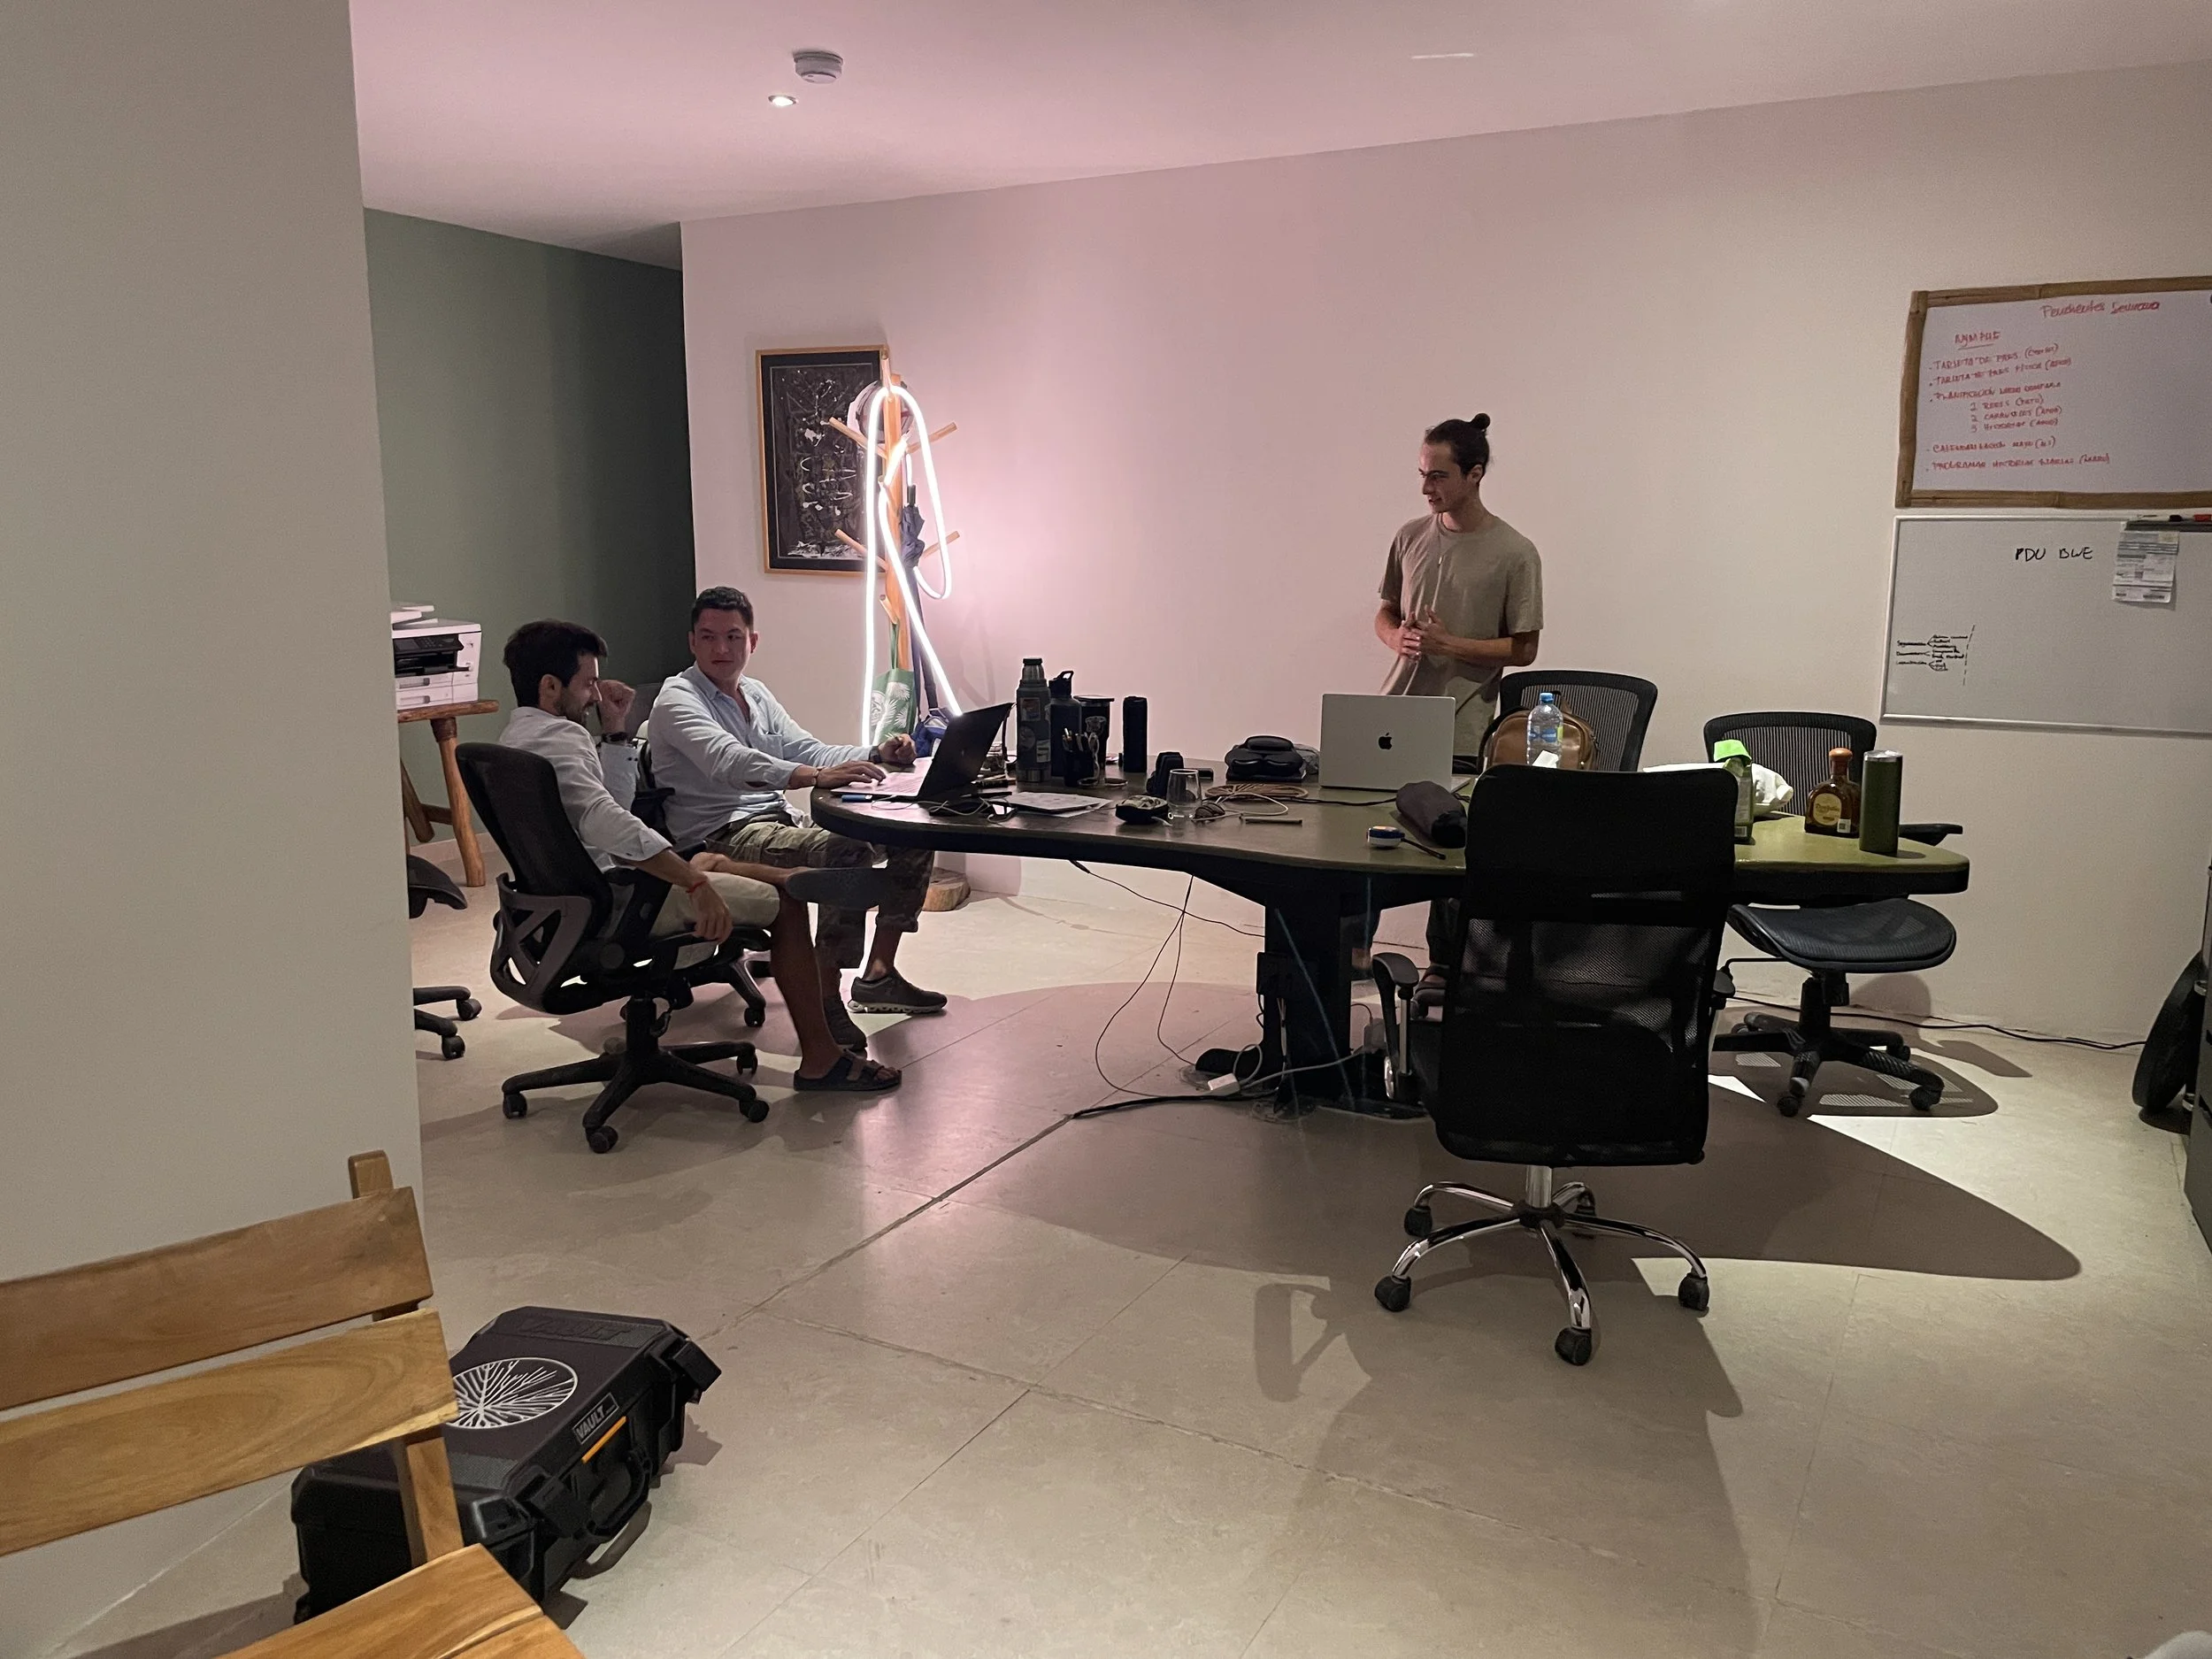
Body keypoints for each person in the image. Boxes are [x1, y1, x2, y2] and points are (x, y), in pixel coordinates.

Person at [497, 618, 899, 1092]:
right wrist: (691, 883)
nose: (595, 695)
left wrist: (615, 732)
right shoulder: (564, 739)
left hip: (566, 902)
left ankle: (731, 868)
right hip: (616, 900)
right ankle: (822, 1060)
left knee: (714, 869)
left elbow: (610, 806)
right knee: (784, 905)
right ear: (550, 687)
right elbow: (611, 822)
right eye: (587, 684)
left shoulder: (514, 741)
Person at [646, 587, 946, 1055]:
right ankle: (826, 996)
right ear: (691, 642)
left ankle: (879, 975)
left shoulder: (755, 694)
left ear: (753, 642)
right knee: (846, 851)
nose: (721, 649)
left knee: (909, 831)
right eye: (708, 637)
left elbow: (806, 749)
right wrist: (810, 776)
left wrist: (874, 753)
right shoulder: (676, 700)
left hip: (777, 820)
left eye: (733, 637)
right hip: (722, 835)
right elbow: (729, 761)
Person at [1373, 413, 1543, 991]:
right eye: (1422, 474)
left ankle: (1443, 968)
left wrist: (1453, 644)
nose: (1426, 488)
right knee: (1364, 832)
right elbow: (1385, 612)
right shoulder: (1409, 536)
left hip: (1462, 724)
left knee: (1447, 850)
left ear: (1474, 474)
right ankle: (1349, 954)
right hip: (1393, 711)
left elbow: (1524, 647)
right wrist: (1397, 636)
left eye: (1438, 476)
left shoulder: (1515, 552)